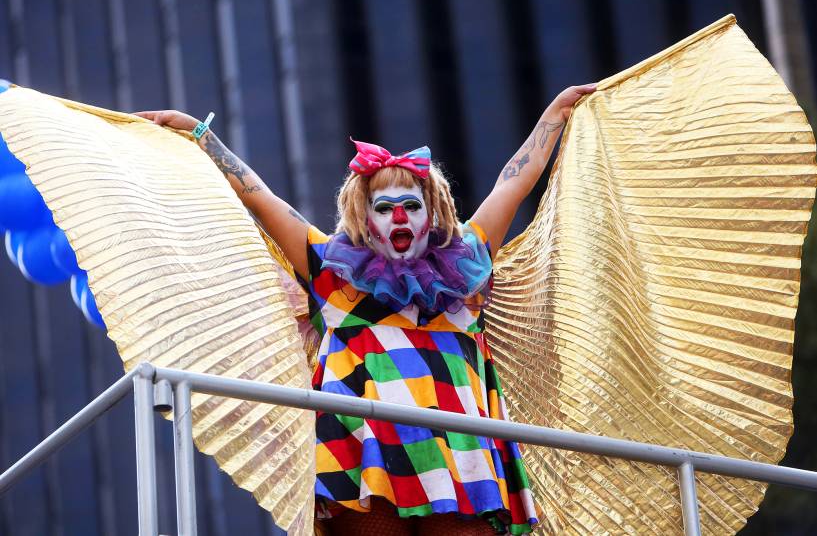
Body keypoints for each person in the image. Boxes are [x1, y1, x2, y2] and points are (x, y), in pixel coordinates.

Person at [135, 82, 595, 535]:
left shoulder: (467, 265)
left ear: (431, 213)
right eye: (385, 207)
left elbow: (511, 186)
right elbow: (258, 197)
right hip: (362, 449)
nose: (399, 217)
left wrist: (553, 117)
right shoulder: (332, 272)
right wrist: (201, 135)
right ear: (365, 217)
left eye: (411, 206)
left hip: (459, 447)